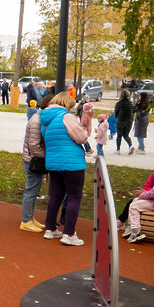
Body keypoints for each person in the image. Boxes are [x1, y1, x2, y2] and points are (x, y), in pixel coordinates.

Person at [40, 92, 89, 246]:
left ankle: (50, 228)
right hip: (72, 162)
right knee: (74, 197)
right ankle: (69, 233)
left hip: (54, 162)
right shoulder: (66, 116)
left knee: (55, 196)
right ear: (67, 103)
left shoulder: (45, 119)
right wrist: (86, 126)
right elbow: (81, 137)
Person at [21, 94, 53, 233]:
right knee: (31, 190)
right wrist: (47, 156)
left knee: (34, 190)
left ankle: (29, 218)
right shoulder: (37, 121)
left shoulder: (40, 118)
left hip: (34, 158)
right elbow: (34, 145)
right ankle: (26, 221)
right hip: (33, 160)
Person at [125, 152, 154, 243]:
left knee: (134, 206)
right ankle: (131, 227)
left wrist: (142, 195)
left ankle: (136, 231)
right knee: (135, 201)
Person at [114, 89, 134, 154]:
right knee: (126, 135)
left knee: (119, 136)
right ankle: (130, 146)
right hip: (129, 121)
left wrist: (116, 118)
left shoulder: (119, 103)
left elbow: (116, 112)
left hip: (120, 121)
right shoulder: (131, 104)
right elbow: (133, 112)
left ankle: (118, 150)